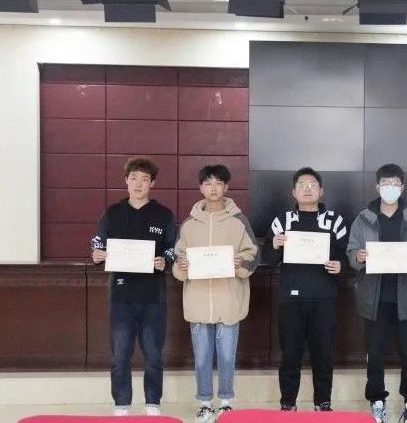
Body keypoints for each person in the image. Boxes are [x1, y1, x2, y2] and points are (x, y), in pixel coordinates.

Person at [90, 157, 177, 417]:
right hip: (121, 296)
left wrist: (165, 260)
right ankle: (121, 406)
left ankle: (153, 404)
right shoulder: (112, 213)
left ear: (153, 183)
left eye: (145, 179)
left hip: (153, 296)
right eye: (134, 178)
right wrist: (96, 254)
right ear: (126, 181)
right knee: (120, 355)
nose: (139, 184)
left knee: (153, 355)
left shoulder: (164, 215)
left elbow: (173, 248)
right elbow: (98, 244)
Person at [172, 164, 258, 423]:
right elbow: (178, 256)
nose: (213, 188)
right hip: (198, 303)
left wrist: (240, 263)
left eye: (218, 183)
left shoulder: (238, 221)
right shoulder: (189, 224)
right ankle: (205, 404)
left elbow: (252, 255)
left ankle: (226, 403)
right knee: (201, 358)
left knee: (227, 356)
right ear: (201, 188)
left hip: (228, 301)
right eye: (208, 183)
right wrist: (181, 266)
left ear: (226, 187)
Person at [347, 164, 407, 423]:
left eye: (395, 184)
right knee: (375, 353)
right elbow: (351, 254)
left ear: (402, 187)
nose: (390, 188)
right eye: (386, 184)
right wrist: (358, 256)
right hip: (374, 297)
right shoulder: (363, 218)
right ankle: (377, 401)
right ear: (377, 187)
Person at [263, 167, 348, 412]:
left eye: (312, 185)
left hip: (324, 298)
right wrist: (274, 245)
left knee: (323, 354)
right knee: (290, 354)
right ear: (293, 192)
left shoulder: (335, 221)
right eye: (302, 185)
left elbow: (346, 255)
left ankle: (323, 402)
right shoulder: (282, 221)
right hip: (291, 298)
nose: (307, 189)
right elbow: (268, 258)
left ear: (321, 190)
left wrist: (340, 265)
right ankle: (288, 403)